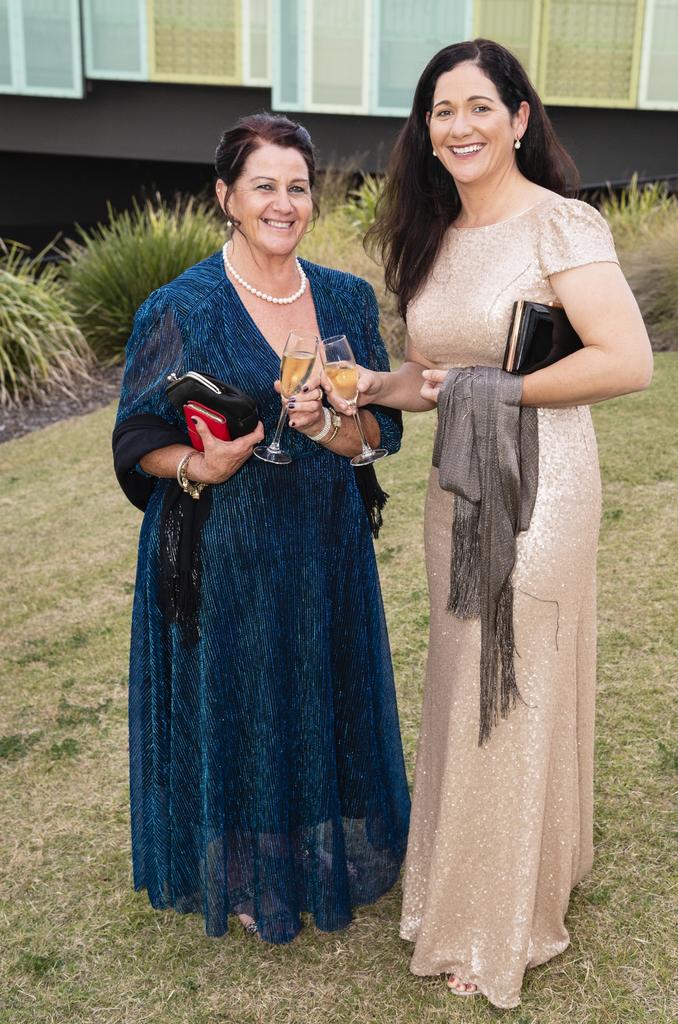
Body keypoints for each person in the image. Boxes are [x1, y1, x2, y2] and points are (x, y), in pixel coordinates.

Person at [326, 40, 653, 1008]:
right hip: (457, 486)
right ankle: (470, 880)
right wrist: (358, 386)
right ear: (424, 133)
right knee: (465, 675)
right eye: (440, 111)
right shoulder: (433, 232)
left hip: (542, 482)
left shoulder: (563, 224)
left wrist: (500, 391)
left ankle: (497, 918)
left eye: (478, 107)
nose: (458, 126)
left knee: (512, 671)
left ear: (518, 120)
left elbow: (628, 358)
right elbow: (432, 380)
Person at [112, 113, 410, 943]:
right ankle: (244, 866)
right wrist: (197, 466)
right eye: (264, 187)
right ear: (227, 198)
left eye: (298, 187)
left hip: (325, 542)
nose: (284, 203)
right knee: (243, 701)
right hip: (226, 547)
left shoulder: (346, 297)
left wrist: (329, 426)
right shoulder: (182, 306)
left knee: (316, 689)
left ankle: (315, 852)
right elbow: (137, 436)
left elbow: (376, 438)